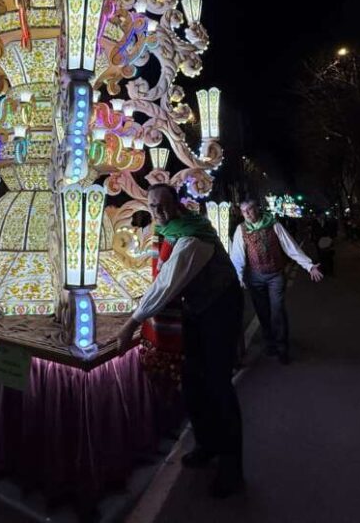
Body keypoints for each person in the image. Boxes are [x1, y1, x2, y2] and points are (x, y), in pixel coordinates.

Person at [116, 184, 244, 497]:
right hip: (196, 309)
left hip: (219, 308)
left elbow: (166, 282)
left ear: (176, 204)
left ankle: (232, 469)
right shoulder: (169, 229)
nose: (157, 211)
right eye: (152, 205)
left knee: (218, 385)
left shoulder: (192, 237)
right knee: (192, 380)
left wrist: (131, 323)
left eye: (162, 205)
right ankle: (206, 445)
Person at [230, 199, 324, 365]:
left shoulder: (274, 225)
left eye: (250, 209)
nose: (247, 214)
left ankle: (282, 348)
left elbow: (291, 247)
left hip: (275, 275)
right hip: (255, 277)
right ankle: (269, 343)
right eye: (244, 211)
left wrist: (309, 266)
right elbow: (238, 256)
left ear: (257, 209)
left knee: (277, 310)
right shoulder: (241, 230)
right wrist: (238, 277)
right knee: (262, 312)